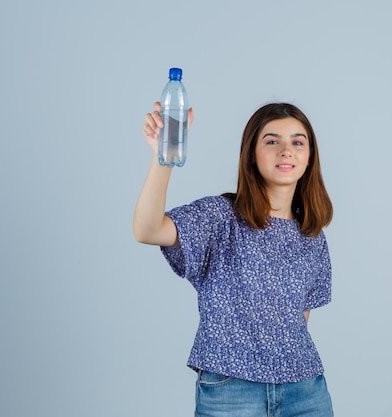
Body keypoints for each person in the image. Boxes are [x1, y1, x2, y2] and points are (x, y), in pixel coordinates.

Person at [134, 100, 334, 417]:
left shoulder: (312, 236)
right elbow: (147, 229)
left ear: (309, 159)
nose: (287, 150)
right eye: (272, 141)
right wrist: (163, 158)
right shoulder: (220, 217)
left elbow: (298, 321)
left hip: (305, 391)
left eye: (298, 142)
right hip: (232, 391)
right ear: (251, 156)